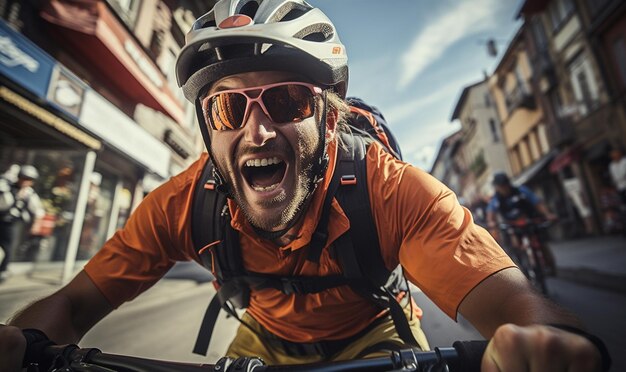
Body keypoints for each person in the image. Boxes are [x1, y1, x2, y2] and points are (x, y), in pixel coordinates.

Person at [0, 1, 610, 371]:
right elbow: (75, 306)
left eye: (287, 101)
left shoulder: (391, 191)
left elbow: (516, 311)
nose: (258, 132)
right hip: (263, 338)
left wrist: (542, 345)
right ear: (209, 133)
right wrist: (16, 343)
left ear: (329, 117)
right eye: (228, 111)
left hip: (377, 335)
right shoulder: (185, 203)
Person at [486, 172, 558, 275]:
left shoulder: (521, 191)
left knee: (541, 242)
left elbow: (537, 203)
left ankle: (550, 264)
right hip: (513, 225)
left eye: (505, 185)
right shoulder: (496, 199)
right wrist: (492, 223)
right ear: (497, 187)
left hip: (530, 220)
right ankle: (521, 268)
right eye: (501, 186)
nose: (504, 188)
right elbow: (491, 213)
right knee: (513, 245)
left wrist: (547, 214)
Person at [0, 165, 45, 282]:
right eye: (23, 177)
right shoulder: (7, 187)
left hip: (11, 224)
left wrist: (35, 225)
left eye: (29, 179)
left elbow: (38, 211)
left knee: (8, 248)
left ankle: (3, 271)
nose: (25, 181)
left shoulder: (29, 194)